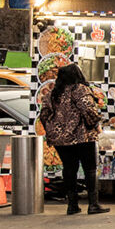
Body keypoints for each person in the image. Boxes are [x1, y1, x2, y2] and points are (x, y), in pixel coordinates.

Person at [39, 63, 108, 215]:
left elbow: (43, 115)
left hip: (60, 140)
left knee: (69, 169)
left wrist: (53, 130)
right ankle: (93, 204)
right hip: (82, 137)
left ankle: (72, 205)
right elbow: (88, 109)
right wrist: (95, 124)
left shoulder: (52, 93)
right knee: (90, 169)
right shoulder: (80, 89)